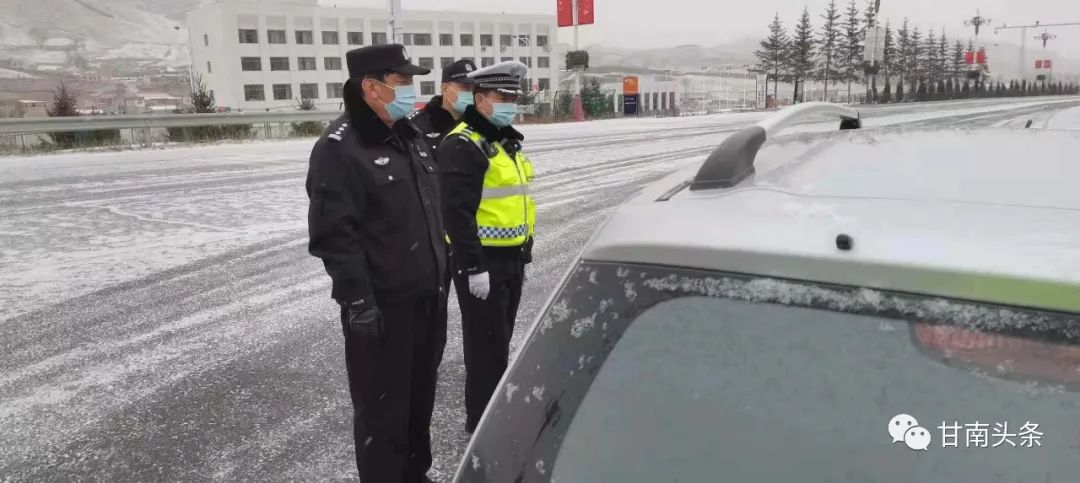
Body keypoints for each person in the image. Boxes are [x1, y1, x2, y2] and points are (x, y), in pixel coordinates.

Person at [306, 44, 448, 483]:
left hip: (427, 298)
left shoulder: (409, 136)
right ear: (371, 87)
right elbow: (333, 236)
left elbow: (428, 211)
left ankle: (415, 474)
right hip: (383, 309)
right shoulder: (340, 149)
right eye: (401, 82)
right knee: (384, 411)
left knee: (419, 400)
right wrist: (359, 303)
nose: (410, 90)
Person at [437, 61, 536, 433]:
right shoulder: (463, 144)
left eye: (513, 98)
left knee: (501, 343)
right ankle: (482, 426)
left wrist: (525, 246)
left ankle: (494, 415)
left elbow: (517, 200)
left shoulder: (502, 141)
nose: (510, 104)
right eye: (502, 97)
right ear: (480, 100)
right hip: (483, 263)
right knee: (486, 350)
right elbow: (456, 214)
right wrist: (473, 267)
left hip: (510, 259)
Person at [409, 58, 478, 153]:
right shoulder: (416, 125)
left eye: (474, 88)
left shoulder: (480, 124)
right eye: (465, 87)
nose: (470, 93)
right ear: (444, 88)